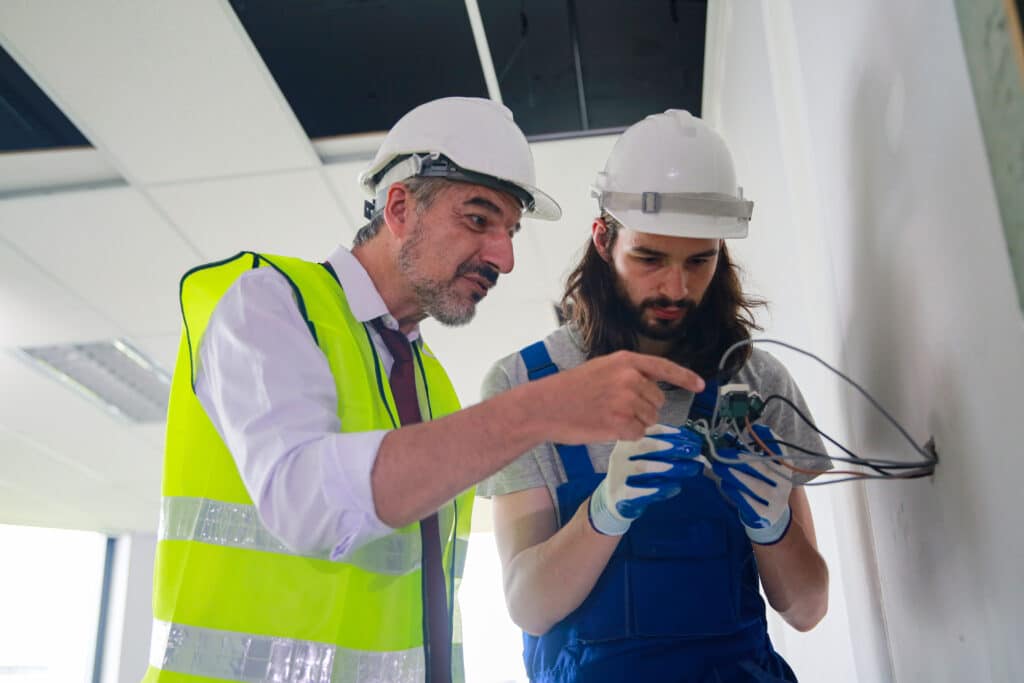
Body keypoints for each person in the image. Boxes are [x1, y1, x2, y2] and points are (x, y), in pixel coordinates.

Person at [145, 97, 705, 683]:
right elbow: (305, 503)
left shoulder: (432, 385)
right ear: (399, 207)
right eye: (479, 218)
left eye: (511, 231)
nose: (505, 257)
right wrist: (538, 409)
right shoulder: (267, 301)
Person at [478, 110, 832, 683]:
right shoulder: (525, 386)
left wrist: (774, 527)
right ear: (603, 239)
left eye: (700, 261)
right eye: (649, 258)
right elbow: (529, 607)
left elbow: (808, 609)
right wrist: (604, 511)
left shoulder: (758, 383)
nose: (676, 287)